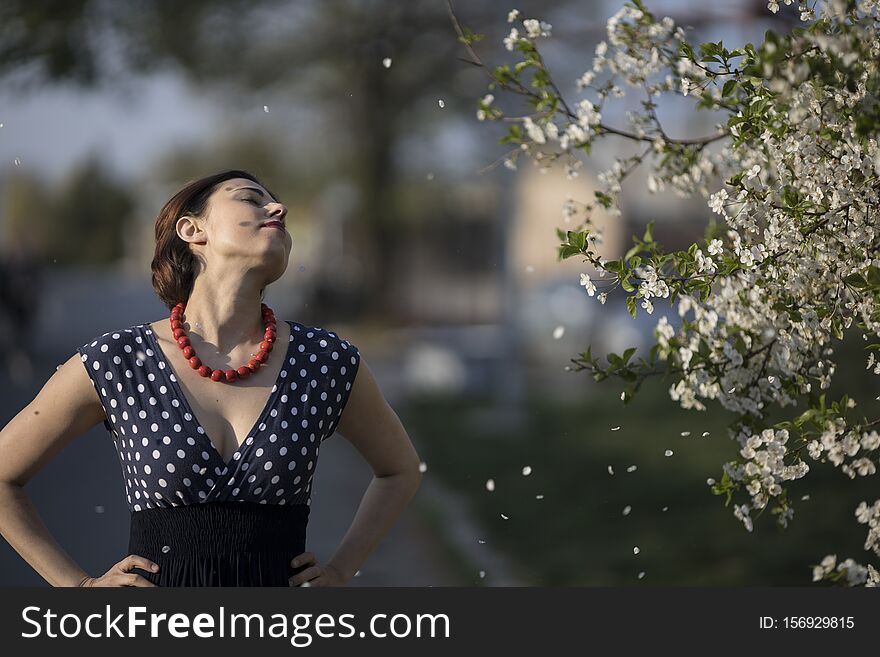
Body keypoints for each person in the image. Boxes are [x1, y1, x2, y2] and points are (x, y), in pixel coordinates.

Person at [0, 169, 423, 587]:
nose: (278, 207)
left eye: (274, 203)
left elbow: (400, 469)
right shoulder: (118, 361)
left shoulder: (326, 361)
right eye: (249, 199)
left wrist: (340, 571)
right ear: (192, 230)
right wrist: (80, 588)